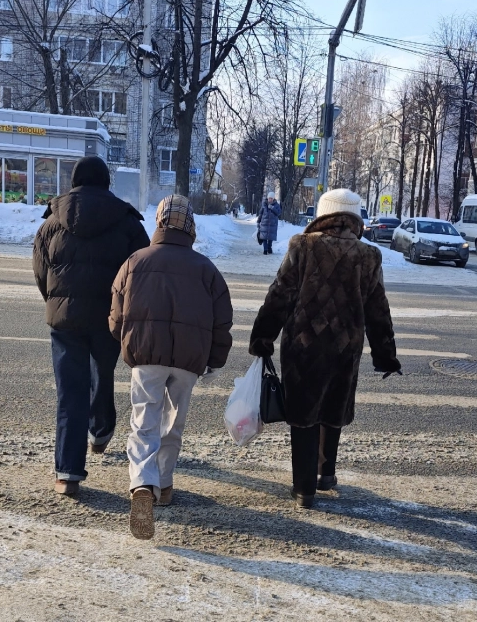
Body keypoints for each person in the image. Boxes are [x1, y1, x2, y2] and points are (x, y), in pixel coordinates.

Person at [249, 188, 400, 509]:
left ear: (323, 215)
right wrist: (385, 355)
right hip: (346, 347)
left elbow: (279, 295)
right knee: (334, 405)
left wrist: (262, 338)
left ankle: (304, 489)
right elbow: (378, 309)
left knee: (303, 413)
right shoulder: (369, 255)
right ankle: (326, 473)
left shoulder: (303, 247)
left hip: (303, 347)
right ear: (355, 218)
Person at [109, 195, 233, 539]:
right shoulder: (206, 269)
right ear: (191, 227)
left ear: (159, 222)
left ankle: (142, 485)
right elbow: (223, 320)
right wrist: (215, 358)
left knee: (144, 420)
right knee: (173, 423)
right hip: (188, 359)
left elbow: (117, 312)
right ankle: (163, 486)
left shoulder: (135, 261)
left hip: (145, 354)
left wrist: (123, 339)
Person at [33, 156, 150, 497]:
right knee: (102, 371)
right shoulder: (127, 221)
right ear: (106, 183)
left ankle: (67, 474)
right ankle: (100, 431)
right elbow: (138, 272)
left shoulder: (52, 221)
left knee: (70, 391)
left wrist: (56, 301)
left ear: (74, 183)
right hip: (108, 318)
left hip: (64, 320)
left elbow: (42, 273)